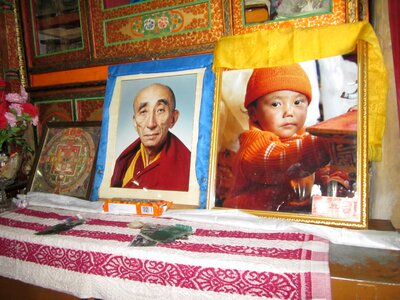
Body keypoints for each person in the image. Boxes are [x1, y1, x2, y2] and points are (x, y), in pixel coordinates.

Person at [222, 63, 331, 212]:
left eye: (298, 102)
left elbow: (321, 168)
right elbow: (282, 160)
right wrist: (326, 143)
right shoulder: (254, 145)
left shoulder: (302, 138)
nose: (289, 112)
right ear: (253, 113)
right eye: (276, 104)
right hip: (248, 222)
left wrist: (333, 178)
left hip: (286, 218)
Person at [111, 83, 191, 191]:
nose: (151, 124)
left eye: (160, 110)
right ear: (135, 122)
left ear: (173, 118)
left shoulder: (188, 167)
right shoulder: (126, 161)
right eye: (143, 112)